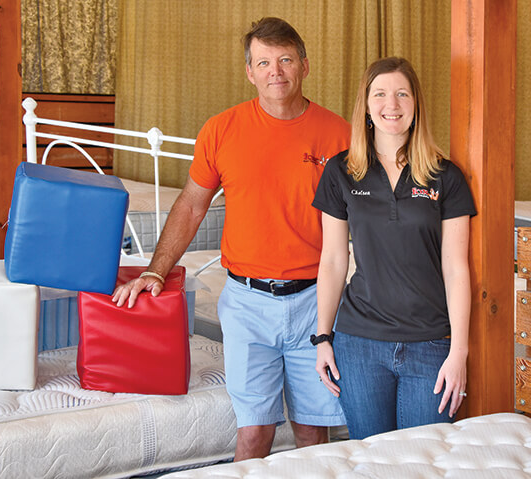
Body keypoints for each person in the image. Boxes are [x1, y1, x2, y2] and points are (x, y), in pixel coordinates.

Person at [112, 17, 351, 460]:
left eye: (285, 60)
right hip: (246, 303)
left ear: (304, 65)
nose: (275, 71)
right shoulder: (222, 129)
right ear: (250, 72)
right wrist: (154, 269)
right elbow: (190, 205)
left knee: (314, 436)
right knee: (253, 436)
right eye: (264, 62)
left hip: (316, 304)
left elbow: (365, 216)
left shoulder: (338, 133)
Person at [312, 56, 476, 440]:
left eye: (402, 94)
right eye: (381, 94)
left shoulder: (445, 176)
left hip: (432, 345)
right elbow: (334, 261)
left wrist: (459, 353)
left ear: (416, 104)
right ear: (366, 106)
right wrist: (322, 338)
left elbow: (456, 269)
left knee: (422, 462)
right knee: (370, 460)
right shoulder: (341, 172)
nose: (392, 104)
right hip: (360, 344)